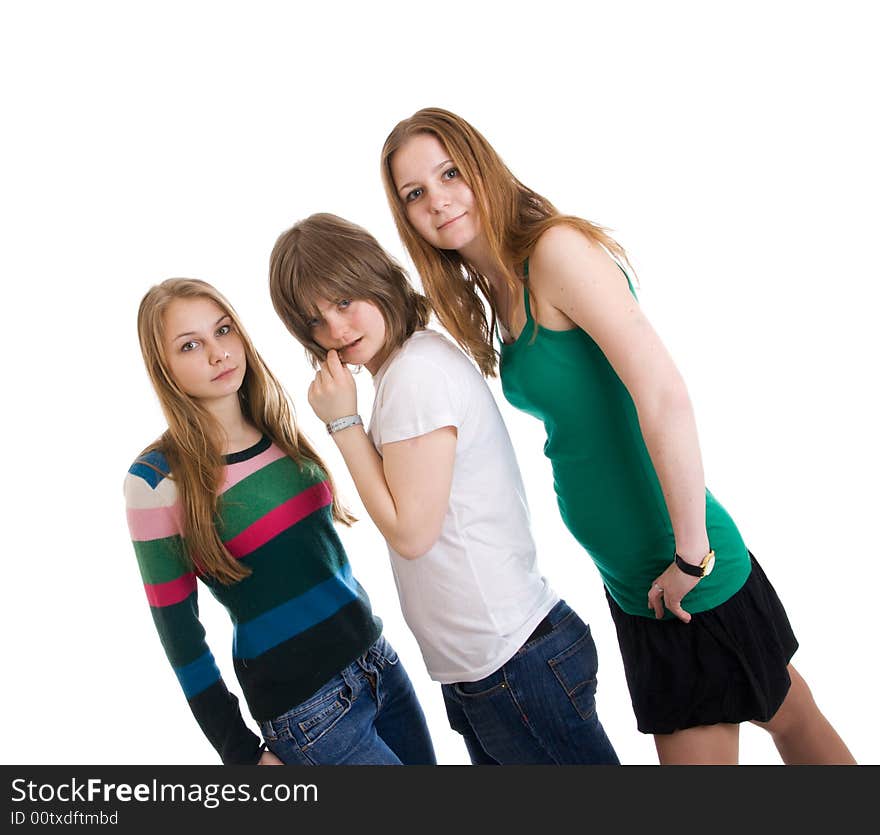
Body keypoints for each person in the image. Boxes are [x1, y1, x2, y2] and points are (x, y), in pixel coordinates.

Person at [378, 107, 856, 765]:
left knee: (792, 722)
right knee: (794, 718)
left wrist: (691, 555)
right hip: (638, 581)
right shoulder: (496, 287)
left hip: (684, 572)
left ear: (481, 166)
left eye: (450, 172)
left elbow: (663, 394)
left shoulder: (553, 251)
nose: (439, 199)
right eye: (415, 193)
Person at [268, 213, 620, 765]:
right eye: (315, 320)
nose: (336, 330)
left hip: (512, 663)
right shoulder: (403, 369)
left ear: (376, 277)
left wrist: (343, 424)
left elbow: (412, 532)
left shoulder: (416, 375)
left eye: (344, 301)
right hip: (492, 665)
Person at [123, 278, 436, 765]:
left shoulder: (275, 426)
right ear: (163, 366)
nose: (218, 353)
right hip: (310, 712)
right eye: (191, 345)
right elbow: (180, 637)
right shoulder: (157, 479)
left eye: (224, 331)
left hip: (378, 663)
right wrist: (241, 754)